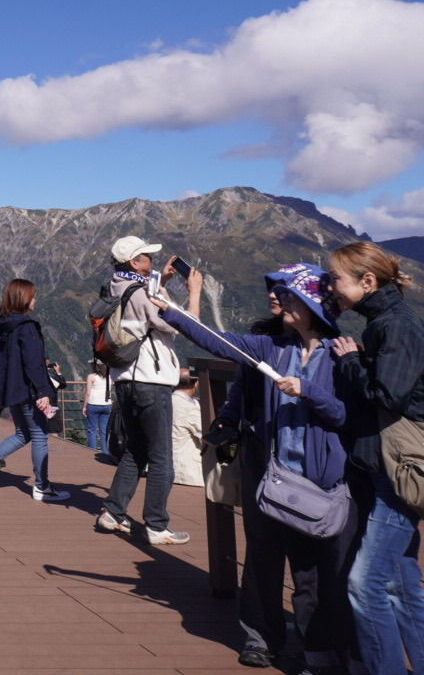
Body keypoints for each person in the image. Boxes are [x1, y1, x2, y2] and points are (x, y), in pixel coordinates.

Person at [151, 264, 355, 671]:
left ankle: (317, 649)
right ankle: (262, 638)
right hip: (268, 469)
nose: (280, 299)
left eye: (290, 295)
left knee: (310, 568)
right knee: (263, 555)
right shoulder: (270, 349)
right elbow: (218, 343)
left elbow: (345, 416)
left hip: (319, 481)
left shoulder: (341, 357)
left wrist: (308, 391)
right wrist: (170, 309)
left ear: (312, 306)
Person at [326, 241, 424, 675]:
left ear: (367, 281)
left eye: (336, 279)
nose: (331, 287)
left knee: (366, 584)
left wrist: (351, 361)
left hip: (399, 469)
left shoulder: (394, 326)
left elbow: (388, 394)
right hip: (389, 466)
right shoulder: (385, 320)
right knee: (400, 586)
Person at [96, 235, 188, 546]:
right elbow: (175, 324)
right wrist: (195, 293)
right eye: (147, 257)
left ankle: (113, 512)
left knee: (136, 450)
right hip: (152, 381)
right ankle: (157, 525)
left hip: (123, 381)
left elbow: (139, 309)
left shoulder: (116, 286)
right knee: (162, 457)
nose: (151, 261)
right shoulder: (140, 292)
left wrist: (160, 281)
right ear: (134, 262)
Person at [0, 279, 66, 501]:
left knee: (23, 433)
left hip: (10, 389)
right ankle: (41, 486)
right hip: (29, 390)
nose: (35, 300)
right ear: (24, 299)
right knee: (40, 436)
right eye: (32, 296)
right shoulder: (27, 327)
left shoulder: (1, 327)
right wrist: (43, 391)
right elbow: (33, 363)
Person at [170, 369, 203, 488]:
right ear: (196, 384)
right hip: (186, 471)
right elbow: (206, 436)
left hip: (165, 467)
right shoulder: (190, 408)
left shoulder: (165, 402)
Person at [83, 361, 111, 459]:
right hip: (106, 405)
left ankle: (92, 452)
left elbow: (88, 393)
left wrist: (84, 406)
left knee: (92, 430)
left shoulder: (91, 376)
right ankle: (105, 453)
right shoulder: (109, 376)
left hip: (93, 405)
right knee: (104, 430)